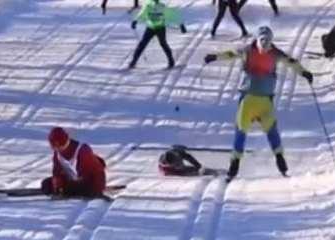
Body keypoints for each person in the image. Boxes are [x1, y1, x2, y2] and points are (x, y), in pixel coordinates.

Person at [204, 26, 313, 180]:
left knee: (267, 130)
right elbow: (231, 54)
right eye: (262, 42)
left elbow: (291, 62)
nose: (265, 46)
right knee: (244, 129)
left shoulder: (274, 53)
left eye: (267, 43)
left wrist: (304, 72)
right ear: (257, 39)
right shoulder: (248, 50)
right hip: (250, 98)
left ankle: (279, 161)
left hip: (261, 100)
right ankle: (234, 166)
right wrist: (215, 57)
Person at [41, 127, 106, 197]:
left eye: (58, 146)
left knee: (75, 188)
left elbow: (97, 172)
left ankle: (68, 190)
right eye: (54, 147)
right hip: (73, 180)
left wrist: (98, 190)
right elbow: (56, 171)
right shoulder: (58, 154)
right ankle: (65, 190)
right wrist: (57, 181)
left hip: (90, 182)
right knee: (46, 184)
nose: (57, 149)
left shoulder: (83, 151)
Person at [129, 0, 187, 69]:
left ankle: (171, 61)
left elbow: (171, 14)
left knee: (162, 43)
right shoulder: (149, 6)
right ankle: (133, 61)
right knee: (143, 44)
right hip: (151, 28)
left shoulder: (161, 6)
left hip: (160, 28)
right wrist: (135, 21)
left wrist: (181, 24)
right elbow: (142, 13)